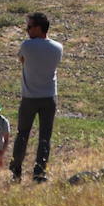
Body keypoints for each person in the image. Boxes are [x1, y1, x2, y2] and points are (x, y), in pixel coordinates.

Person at [11, 12, 62, 183]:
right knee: (45, 137)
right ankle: (39, 173)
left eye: (30, 26)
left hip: (29, 97)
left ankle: (16, 169)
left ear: (39, 28)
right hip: (49, 96)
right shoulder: (58, 47)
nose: (27, 30)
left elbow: (22, 60)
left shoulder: (27, 46)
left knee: (22, 133)